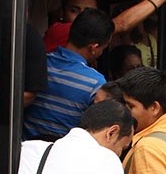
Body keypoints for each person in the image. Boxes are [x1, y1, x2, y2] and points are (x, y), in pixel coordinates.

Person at [23, 8, 112, 140]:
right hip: (63, 155)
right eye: (103, 48)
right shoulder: (95, 83)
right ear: (93, 48)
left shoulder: (39, 63)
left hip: (24, 150)